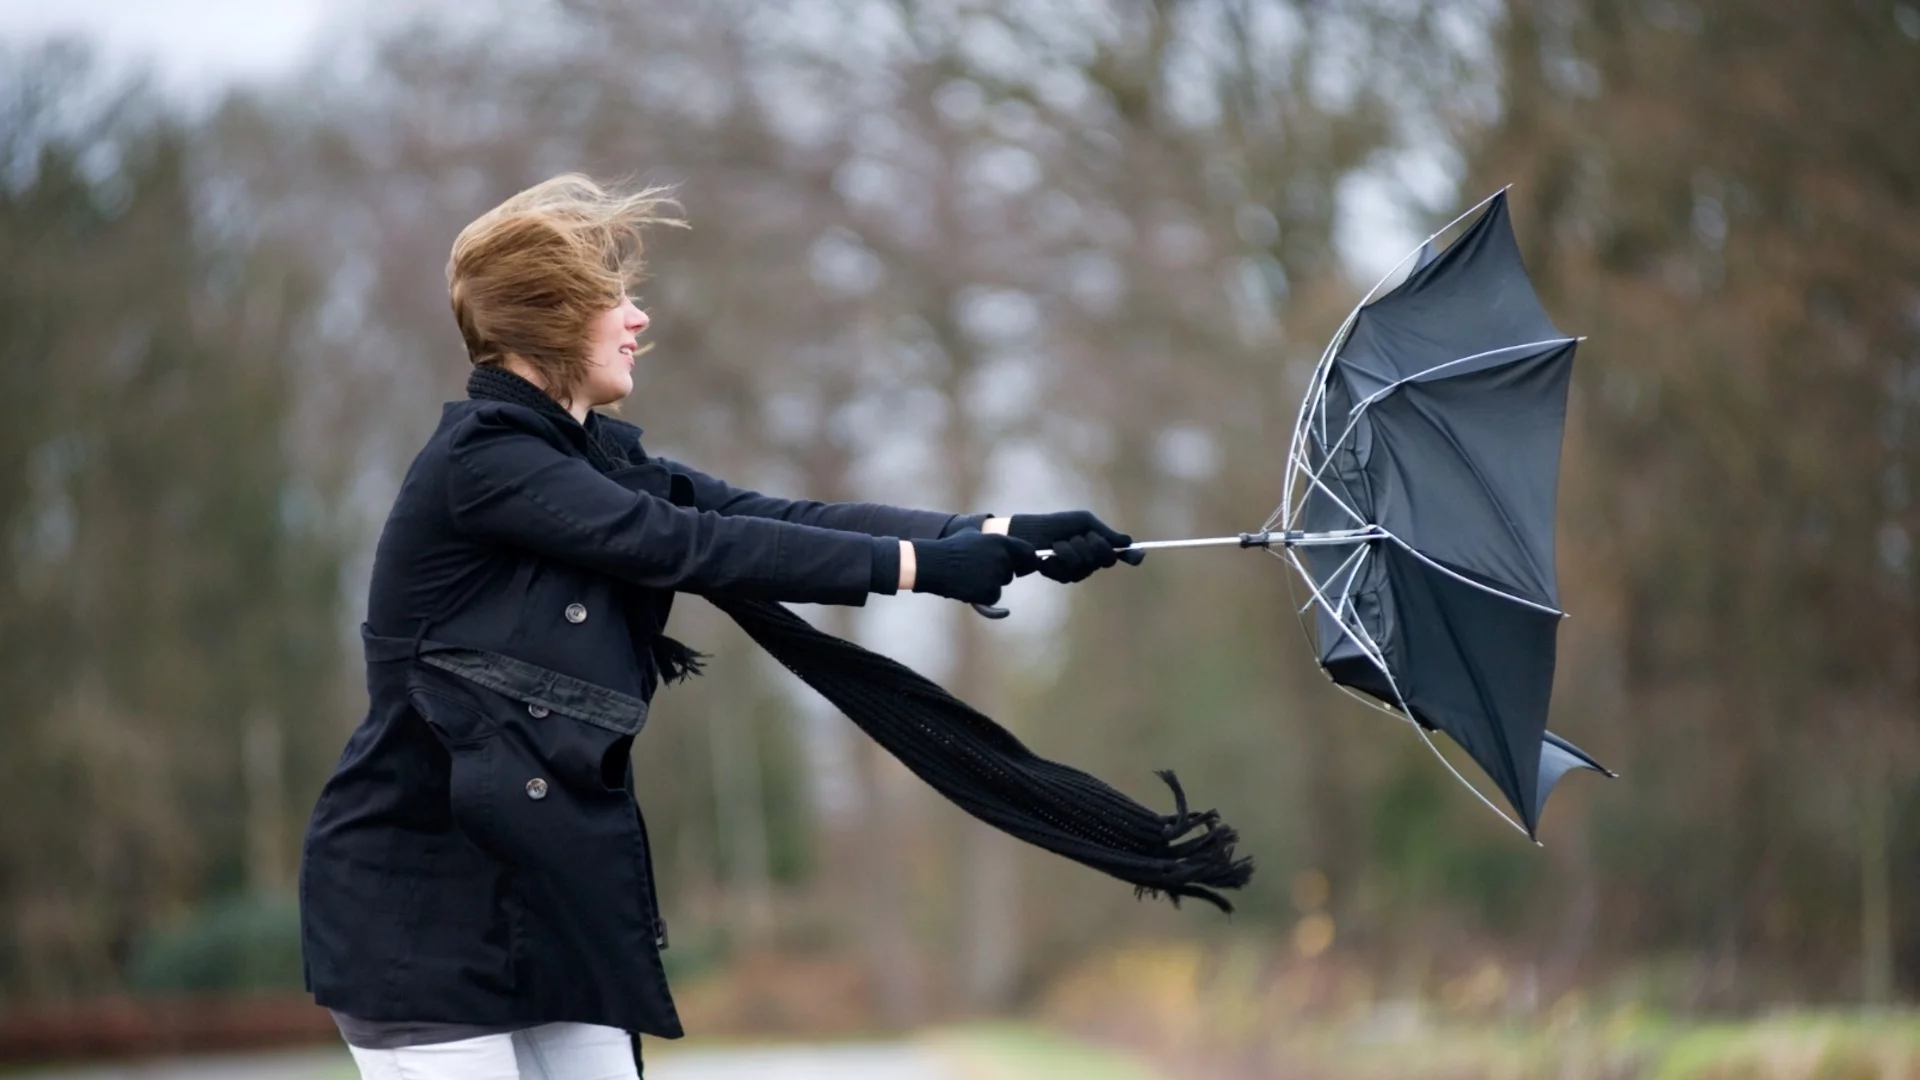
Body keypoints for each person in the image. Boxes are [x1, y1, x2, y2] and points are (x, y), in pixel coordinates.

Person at [297, 174, 1140, 1080]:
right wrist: (919, 570)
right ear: (550, 319)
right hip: (421, 914)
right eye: (611, 299)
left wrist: (986, 534)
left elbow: (769, 514)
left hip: (548, 903)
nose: (637, 320)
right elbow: (682, 544)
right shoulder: (485, 464)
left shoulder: (592, 458)